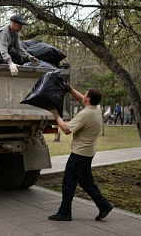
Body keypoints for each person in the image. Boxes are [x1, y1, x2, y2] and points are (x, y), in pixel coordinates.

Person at [47, 84, 113, 222]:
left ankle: (65, 212)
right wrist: (70, 89)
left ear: (88, 99)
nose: (83, 96)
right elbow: (81, 98)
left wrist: (56, 115)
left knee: (68, 182)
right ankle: (104, 205)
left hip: (79, 154)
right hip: (88, 152)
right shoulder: (96, 108)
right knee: (87, 182)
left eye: (86, 94)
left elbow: (66, 129)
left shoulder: (85, 114)